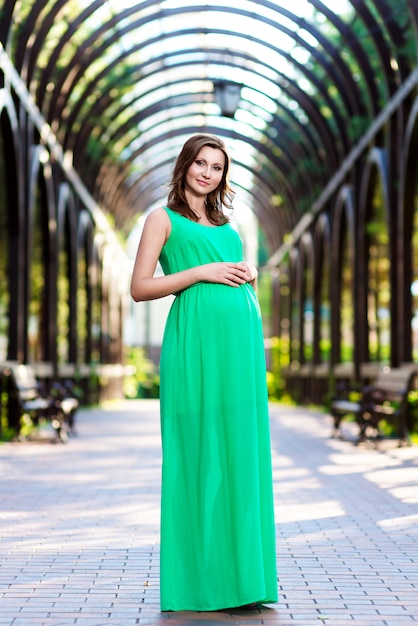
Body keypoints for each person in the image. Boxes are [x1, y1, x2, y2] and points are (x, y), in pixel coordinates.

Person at [130, 134, 278, 612]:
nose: (207, 173)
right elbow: (139, 287)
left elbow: (230, 267)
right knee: (198, 455)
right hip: (194, 347)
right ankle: (201, 584)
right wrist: (202, 272)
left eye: (216, 167)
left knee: (240, 453)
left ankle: (243, 583)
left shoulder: (229, 225)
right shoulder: (161, 218)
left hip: (239, 351)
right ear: (185, 166)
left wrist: (246, 270)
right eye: (201, 163)